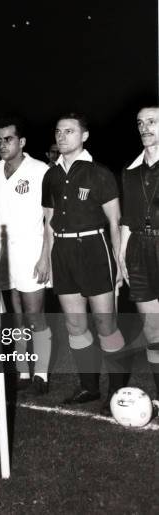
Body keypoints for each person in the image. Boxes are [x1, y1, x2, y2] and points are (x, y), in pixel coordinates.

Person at [41, 113, 130, 414]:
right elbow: (48, 221)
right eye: (58, 131)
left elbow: (115, 221)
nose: (62, 136)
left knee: (105, 323)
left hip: (94, 248)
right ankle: (89, 387)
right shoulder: (51, 175)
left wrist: (118, 262)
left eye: (69, 131)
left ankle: (117, 391)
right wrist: (45, 257)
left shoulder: (99, 173)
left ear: (84, 136)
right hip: (63, 251)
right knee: (75, 324)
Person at [0, 117, 52, 394]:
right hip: (4, 255)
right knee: (16, 316)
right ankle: (24, 373)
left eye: (8, 139)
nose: (3, 144)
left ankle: (42, 375)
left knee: (35, 315)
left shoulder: (40, 170)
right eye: (0, 139)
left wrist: (45, 256)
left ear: (22, 142)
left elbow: (51, 218)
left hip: (32, 251)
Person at [119, 105, 159, 401]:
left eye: (152, 122)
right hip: (138, 250)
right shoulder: (130, 172)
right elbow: (127, 220)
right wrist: (121, 256)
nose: (144, 127)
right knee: (153, 331)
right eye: (140, 123)